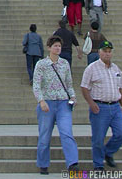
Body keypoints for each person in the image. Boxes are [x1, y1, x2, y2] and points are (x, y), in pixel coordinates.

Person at [33, 35, 79, 175]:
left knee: (66, 133)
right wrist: (41, 101)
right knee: (45, 135)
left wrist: (73, 96)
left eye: (59, 46)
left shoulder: (64, 63)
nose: (57, 48)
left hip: (63, 102)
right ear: (49, 48)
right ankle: (43, 164)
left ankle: (72, 163)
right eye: (55, 46)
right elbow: (36, 84)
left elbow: (69, 83)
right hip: (47, 102)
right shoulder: (41, 64)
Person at [81, 40, 122, 171]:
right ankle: (98, 165)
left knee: (121, 134)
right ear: (99, 52)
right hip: (100, 107)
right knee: (98, 138)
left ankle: (108, 152)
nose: (107, 54)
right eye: (104, 51)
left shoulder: (116, 68)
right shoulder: (92, 68)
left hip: (115, 106)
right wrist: (91, 103)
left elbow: (120, 89)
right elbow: (84, 87)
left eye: (109, 51)